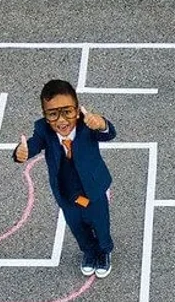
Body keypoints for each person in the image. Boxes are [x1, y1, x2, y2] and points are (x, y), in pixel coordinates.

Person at [15, 79, 117, 277]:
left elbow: (108, 133)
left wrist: (102, 124)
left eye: (67, 112)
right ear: (45, 117)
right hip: (67, 194)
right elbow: (33, 144)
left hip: (92, 191)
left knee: (100, 224)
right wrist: (22, 153)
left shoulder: (88, 126)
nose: (61, 120)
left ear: (77, 110)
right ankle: (89, 252)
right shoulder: (44, 131)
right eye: (53, 114)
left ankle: (104, 252)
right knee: (77, 227)